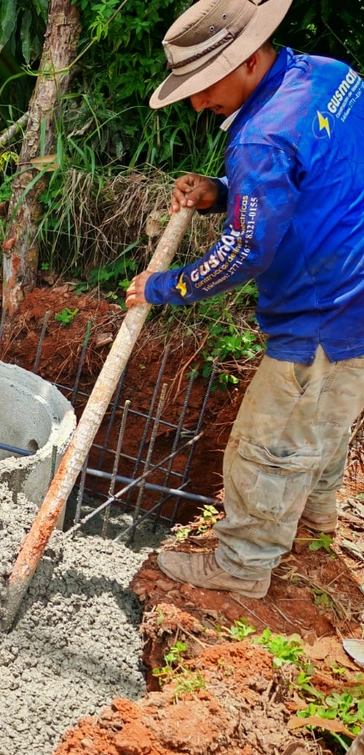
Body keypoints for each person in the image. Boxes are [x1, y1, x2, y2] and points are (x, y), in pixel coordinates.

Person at [126, 0, 364, 599]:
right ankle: (314, 526)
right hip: (356, 294)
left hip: (322, 313)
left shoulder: (260, 138)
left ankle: (243, 564)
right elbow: (313, 176)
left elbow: (244, 252)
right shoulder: (332, 78)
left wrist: (163, 286)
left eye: (205, 86)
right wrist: (223, 192)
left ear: (250, 59)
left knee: (268, 444)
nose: (199, 103)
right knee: (328, 422)